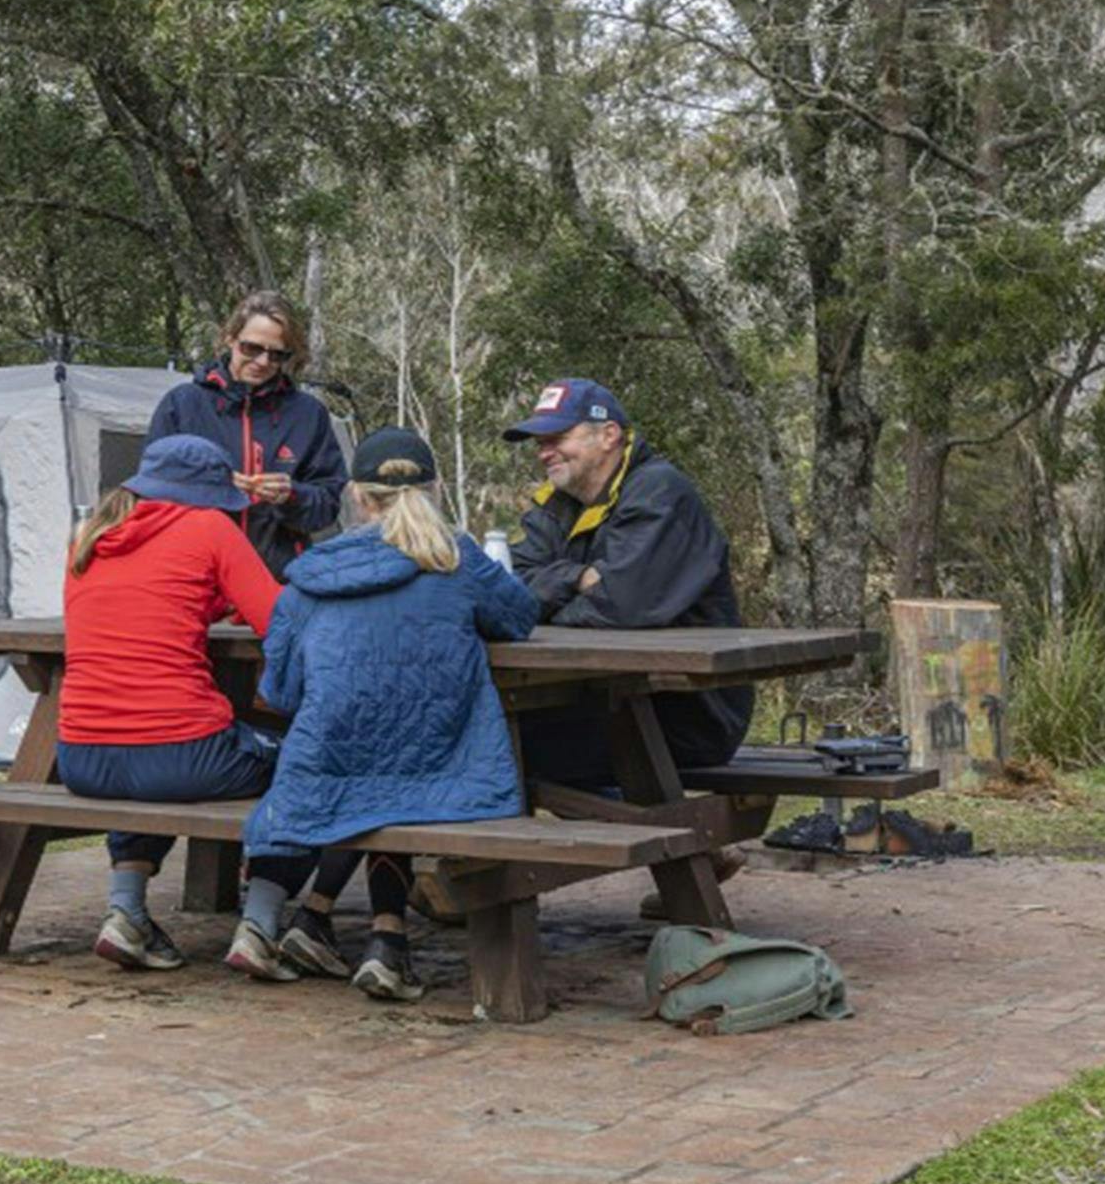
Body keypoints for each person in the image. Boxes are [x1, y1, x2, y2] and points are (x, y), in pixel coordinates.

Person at [224, 427, 539, 1001]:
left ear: (357, 497)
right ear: (435, 490)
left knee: (371, 771)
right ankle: (384, 940)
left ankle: (333, 924)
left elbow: (281, 691)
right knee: (396, 769)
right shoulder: (458, 559)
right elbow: (519, 615)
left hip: (329, 759)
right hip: (447, 760)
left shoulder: (309, 577)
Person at [58, 433, 284, 972]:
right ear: (206, 495)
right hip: (181, 756)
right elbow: (280, 620)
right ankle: (262, 923)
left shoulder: (89, 536)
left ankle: (127, 911)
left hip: (81, 758)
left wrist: (206, 603)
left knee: (147, 750)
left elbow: (144, 605)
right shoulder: (208, 527)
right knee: (302, 760)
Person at [502, 378, 754, 789]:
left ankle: (669, 835)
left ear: (609, 435)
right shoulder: (557, 503)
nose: (545, 452)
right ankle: (658, 833)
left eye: (558, 437)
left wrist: (555, 594)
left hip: (686, 711)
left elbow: (619, 607)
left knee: (499, 746)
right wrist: (578, 577)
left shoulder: (659, 491)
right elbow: (509, 589)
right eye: (539, 442)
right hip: (602, 700)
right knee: (493, 735)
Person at [148, 290, 348, 582]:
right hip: (194, 580)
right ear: (230, 338)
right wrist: (212, 486)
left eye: (277, 354)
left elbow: (328, 506)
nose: (263, 362)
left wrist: (291, 495)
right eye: (252, 348)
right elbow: (150, 496)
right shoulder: (182, 405)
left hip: (278, 584)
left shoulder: (308, 415)